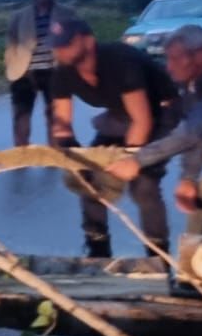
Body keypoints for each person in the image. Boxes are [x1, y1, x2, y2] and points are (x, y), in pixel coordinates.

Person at [48, 16, 180, 259]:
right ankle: (98, 251)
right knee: (89, 181)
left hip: (161, 111)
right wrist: (75, 157)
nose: (60, 50)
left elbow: (143, 121)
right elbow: (61, 123)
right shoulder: (63, 71)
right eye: (56, 44)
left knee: (144, 185)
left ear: (88, 41)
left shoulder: (119, 61)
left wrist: (131, 160)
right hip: (120, 114)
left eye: (66, 43)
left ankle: (158, 257)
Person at [104, 25, 202, 288]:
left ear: (199, 57)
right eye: (167, 59)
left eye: (176, 58)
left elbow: (192, 131)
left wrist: (137, 160)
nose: (169, 66)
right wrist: (188, 177)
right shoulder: (195, 84)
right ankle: (197, 281)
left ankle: (194, 286)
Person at [4, 0, 77, 146]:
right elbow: (11, 42)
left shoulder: (67, 13)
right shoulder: (19, 16)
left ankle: (54, 153)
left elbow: (76, 39)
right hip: (24, 71)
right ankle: (21, 155)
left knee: (55, 115)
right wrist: (11, 66)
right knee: (21, 115)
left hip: (55, 70)